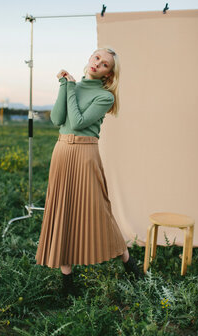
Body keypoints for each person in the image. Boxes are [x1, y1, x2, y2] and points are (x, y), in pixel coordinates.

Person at [35, 47, 142, 297]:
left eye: (105, 64)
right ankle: (67, 284)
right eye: (97, 58)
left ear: (108, 74)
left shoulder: (106, 97)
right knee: (62, 210)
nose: (98, 64)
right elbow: (58, 119)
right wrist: (65, 86)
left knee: (100, 210)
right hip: (61, 151)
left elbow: (80, 121)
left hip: (85, 155)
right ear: (90, 58)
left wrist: (70, 87)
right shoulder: (72, 86)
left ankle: (129, 263)